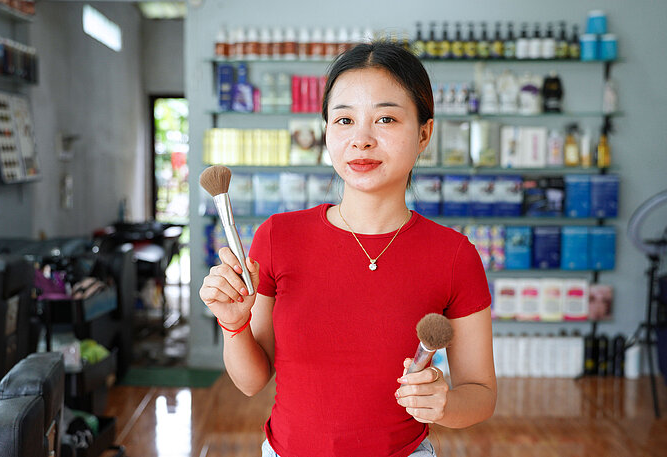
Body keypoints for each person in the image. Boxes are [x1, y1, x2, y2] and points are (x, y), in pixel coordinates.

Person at [199, 41, 496, 457]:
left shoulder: (454, 255)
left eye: (386, 118)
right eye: (344, 120)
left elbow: (481, 394)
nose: (362, 140)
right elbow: (252, 381)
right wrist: (233, 325)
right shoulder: (278, 236)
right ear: (326, 132)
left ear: (424, 133)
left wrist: (444, 403)